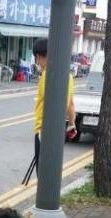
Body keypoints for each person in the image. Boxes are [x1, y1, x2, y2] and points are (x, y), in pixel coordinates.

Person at [31, 38, 77, 178]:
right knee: (51, 172)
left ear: (38, 56)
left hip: (45, 130)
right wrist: (71, 124)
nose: (37, 63)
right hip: (57, 130)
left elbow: (53, 103)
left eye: (36, 59)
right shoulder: (67, 75)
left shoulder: (48, 74)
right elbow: (70, 104)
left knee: (43, 174)